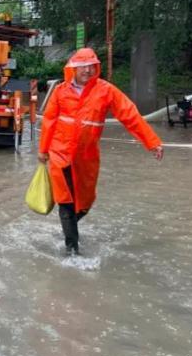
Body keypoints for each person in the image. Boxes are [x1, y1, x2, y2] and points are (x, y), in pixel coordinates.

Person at [38, 48, 163, 255]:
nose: (87, 70)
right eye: (83, 66)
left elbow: (129, 115)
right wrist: (43, 150)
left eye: (91, 66)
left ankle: (68, 228)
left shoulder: (105, 91)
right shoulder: (61, 91)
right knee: (66, 200)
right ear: (73, 68)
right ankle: (72, 251)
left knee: (84, 203)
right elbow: (49, 122)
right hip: (61, 153)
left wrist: (152, 142)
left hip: (87, 156)